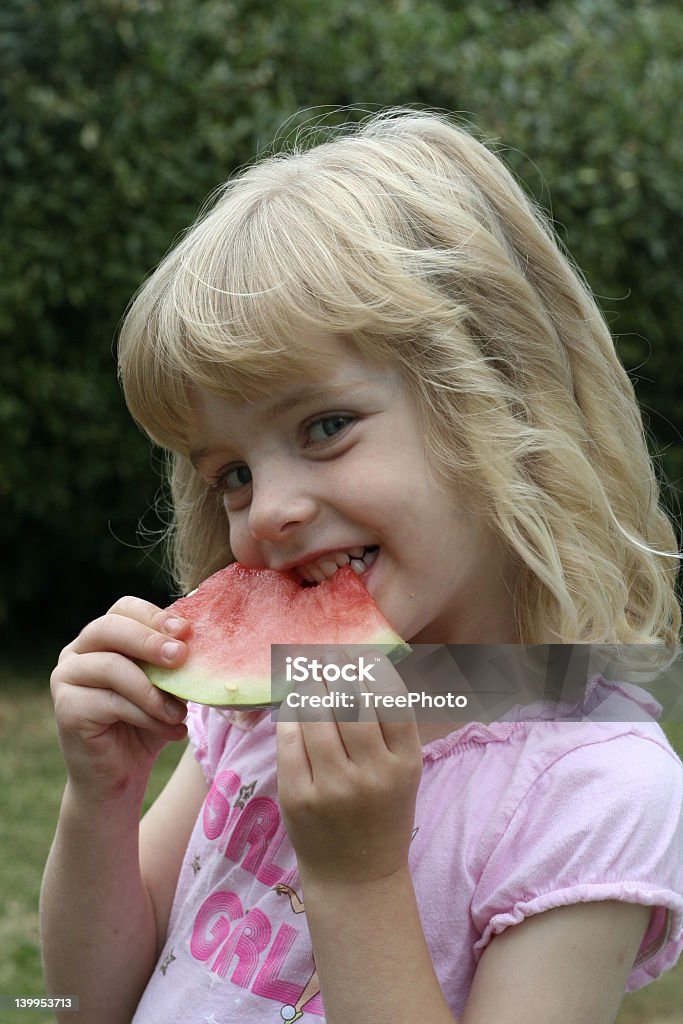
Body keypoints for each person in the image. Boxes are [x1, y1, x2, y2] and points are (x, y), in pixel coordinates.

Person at [41, 108, 683, 1024]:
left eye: (325, 427)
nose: (267, 510)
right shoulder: (273, 701)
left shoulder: (596, 794)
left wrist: (356, 875)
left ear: (494, 395)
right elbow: (78, 1002)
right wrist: (99, 803)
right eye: (230, 473)